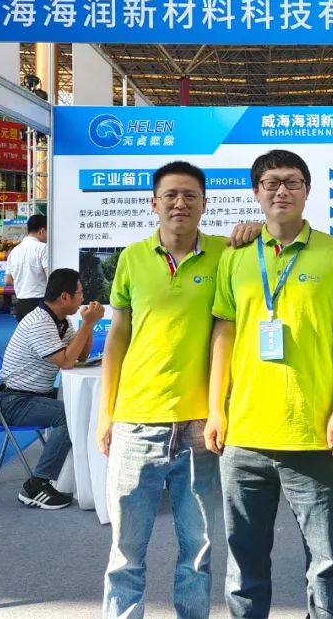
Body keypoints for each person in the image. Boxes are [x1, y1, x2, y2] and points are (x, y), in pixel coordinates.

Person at [98, 161, 260, 618]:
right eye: (170, 195)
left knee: (198, 550)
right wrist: (106, 413)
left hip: (199, 427)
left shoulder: (227, 253)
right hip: (136, 422)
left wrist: (256, 230)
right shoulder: (132, 258)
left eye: (190, 195)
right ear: (154, 203)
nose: (180, 203)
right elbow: (118, 336)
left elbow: (274, 245)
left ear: (205, 203)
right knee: (126, 553)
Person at [206, 149, 333, 619]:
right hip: (245, 435)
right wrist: (216, 410)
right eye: (271, 182)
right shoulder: (235, 256)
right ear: (256, 192)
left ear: (308, 190)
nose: (282, 191)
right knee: (244, 560)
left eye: (293, 182)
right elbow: (223, 333)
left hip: (312, 433)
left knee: (327, 559)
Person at [0, 267, 104, 509]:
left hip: (34, 396)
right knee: (69, 416)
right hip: (14, 401)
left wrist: (88, 325)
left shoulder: (60, 321)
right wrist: (88, 323)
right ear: (65, 297)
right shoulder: (39, 323)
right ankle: (36, 485)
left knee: (84, 406)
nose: (83, 298)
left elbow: (80, 355)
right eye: (80, 293)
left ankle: (81, 475)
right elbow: (66, 361)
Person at [5, 214, 50, 322]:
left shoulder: (14, 251)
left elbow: (7, 280)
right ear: (42, 230)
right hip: (40, 303)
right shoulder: (43, 248)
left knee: (25, 333)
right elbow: (50, 277)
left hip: (21, 304)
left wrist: (24, 284)